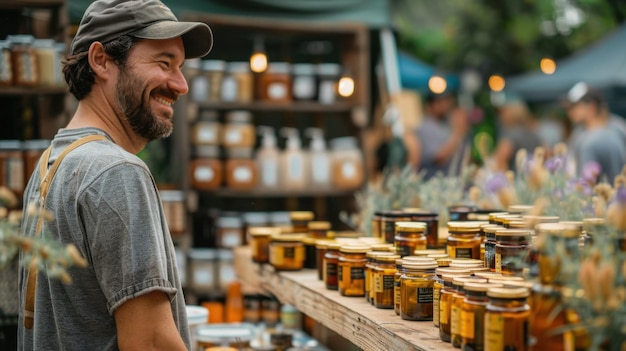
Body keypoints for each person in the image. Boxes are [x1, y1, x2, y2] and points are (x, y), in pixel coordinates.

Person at [17, 1, 213, 350]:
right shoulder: (116, 172)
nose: (181, 85)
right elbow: (151, 343)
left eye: (180, 67)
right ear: (101, 60)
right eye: (163, 63)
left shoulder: (53, 161)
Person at [565, 82, 626, 182]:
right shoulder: (578, 133)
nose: (570, 111)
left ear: (592, 106)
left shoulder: (618, 128)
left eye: (574, 106)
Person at [413, 92, 469, 179]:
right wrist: (458, 133)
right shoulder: (424, 127)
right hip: (434, 184)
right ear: (430, 105)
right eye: (440, 102)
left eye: (447, 100)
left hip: (454, 182)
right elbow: (439, 158)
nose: (445, 105)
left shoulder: (447, 124)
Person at [492, 98, 542, 172]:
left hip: (515, 179)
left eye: (503, 112)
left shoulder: (510, 135)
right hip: (533, 178)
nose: (500, 116)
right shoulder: (533, 133)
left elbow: (499, 159)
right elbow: (546, 153)